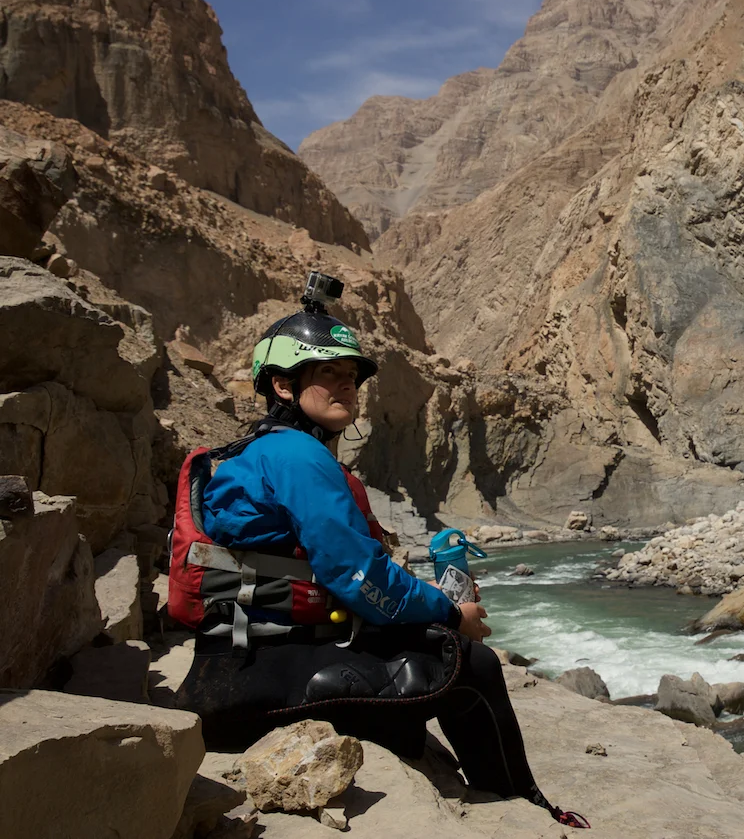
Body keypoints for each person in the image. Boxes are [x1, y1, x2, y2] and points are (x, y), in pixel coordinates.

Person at [170, 296, 588, 829]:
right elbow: (360, 578)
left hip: (232, 666)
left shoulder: (258, 452)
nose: (346, 385)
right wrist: (449, 613)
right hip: (256, 681)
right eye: (328, 373)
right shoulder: (298, 456)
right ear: (282, 385)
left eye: (352, 376)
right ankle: (523, 806)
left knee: (410, 682)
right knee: (470, 663)